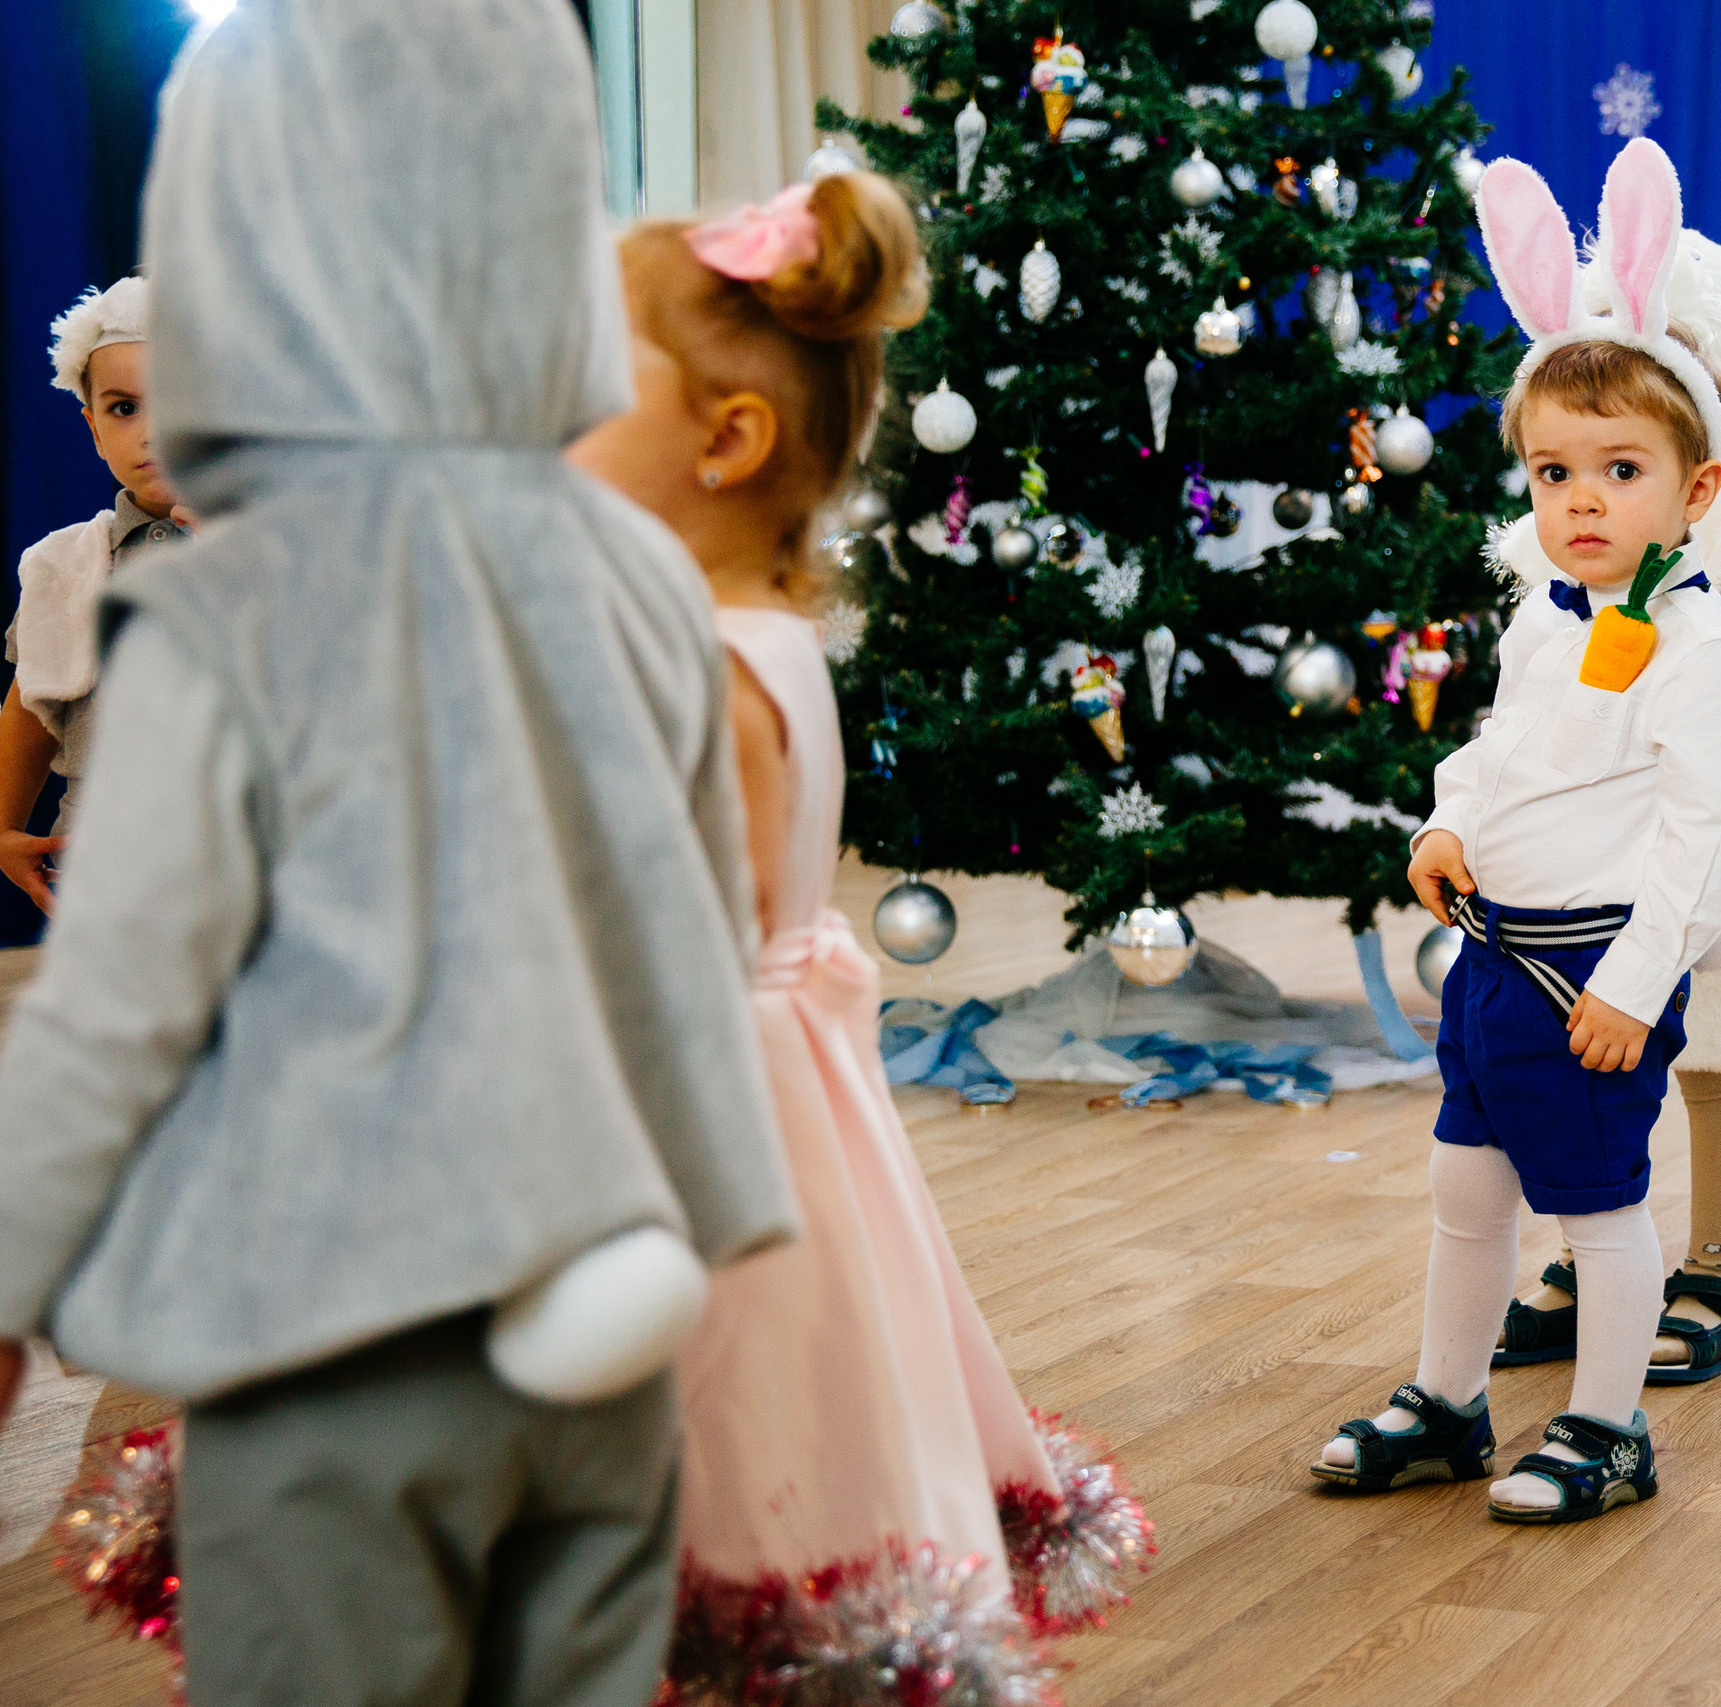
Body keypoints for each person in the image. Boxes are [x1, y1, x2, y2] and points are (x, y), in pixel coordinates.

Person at [0, 3, 798, 1703]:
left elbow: (115, 1008)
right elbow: (696, 927)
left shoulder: (223, 616)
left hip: (327, 1328)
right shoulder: (647, 576)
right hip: (601, 1325)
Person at [567, 173, 1104, 1662]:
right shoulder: (759, 635)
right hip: (759, 1099)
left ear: (725, 442)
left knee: (721, 1446)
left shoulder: (699, 668)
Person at [1311, 137, 1721, 1524]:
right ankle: (1450, 1402)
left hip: (1590, 979)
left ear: (1694, 492)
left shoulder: (1694, 646)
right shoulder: (1536, 614)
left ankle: (1606, 1424)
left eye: (1619, 469)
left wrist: (1637, 981)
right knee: (1463, 1185)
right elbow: (1505, 749)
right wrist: (1448, 821)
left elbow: (1705, 831)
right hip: (1494, 959)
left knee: (1596, 1203)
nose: (1580, 499)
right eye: (1554, 470)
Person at [1488, 223, 1721, 1389]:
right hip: (1575, 841)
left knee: (1711, 1062)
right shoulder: (1562, 534)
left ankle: (1712, 1274)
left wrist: (1675, 670)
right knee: (1583, 1048)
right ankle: (1595, 1255)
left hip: (1699, 836)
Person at [1, 277, 194, 913]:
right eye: (124, 408)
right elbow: (31, 706)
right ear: (92, 428)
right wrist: (3, 827)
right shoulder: (65, 565)